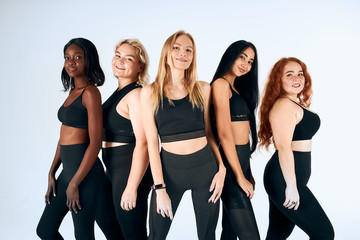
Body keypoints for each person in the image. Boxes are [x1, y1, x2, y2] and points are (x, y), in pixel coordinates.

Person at [140, 30, 226, 240]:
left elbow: (209, 133)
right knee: (156, 236)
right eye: (177, 48)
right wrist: (159, 188)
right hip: (170, 173)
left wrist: (222, 168)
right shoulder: (150, 92)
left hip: (206, 170)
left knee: (207, 236)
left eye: (189, 50)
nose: (183, 53)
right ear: (167, 53)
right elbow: (152, 143)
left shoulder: (203, 89)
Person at [36, 38, 120, 240]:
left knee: (84, 235)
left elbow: (95, 142)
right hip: (69, 173)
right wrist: (51, 172)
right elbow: (63, 138)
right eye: (67, 58)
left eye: (78, 57)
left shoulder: (90, 93)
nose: (71, 62)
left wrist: (75, 183)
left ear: (88, 61)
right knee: (45, 230)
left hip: (86, 175)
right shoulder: (73, 92)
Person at [258, 57, 334, 239]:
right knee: (324, 233)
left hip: (290, 177)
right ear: (279, 80)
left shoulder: (294, 103)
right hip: (284, 179)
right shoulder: (283, 105)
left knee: (277, 234)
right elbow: (283, 146)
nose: (296, 79)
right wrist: (291, 186)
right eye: (289, 75)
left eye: (300, 74)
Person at [101, 39, 152, 240]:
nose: (120, 61)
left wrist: (131, 187)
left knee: (133, 233)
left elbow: (144, 142)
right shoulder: (118, 93)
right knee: (109, 223)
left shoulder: (136, 94)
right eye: (118, 55)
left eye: (128, 58)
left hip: (130, 169)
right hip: (114, 168)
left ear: (140, 67)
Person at [210, 40, 260, 240]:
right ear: (231, 55)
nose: (245, 64)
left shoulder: (236, 87)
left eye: (250, 61)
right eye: (242, 57)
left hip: (241, 160)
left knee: (230, 232)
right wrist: (239, 175)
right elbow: (223, 133)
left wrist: (247, 171)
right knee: (249, 235)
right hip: (231, 166)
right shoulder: (221, 84)